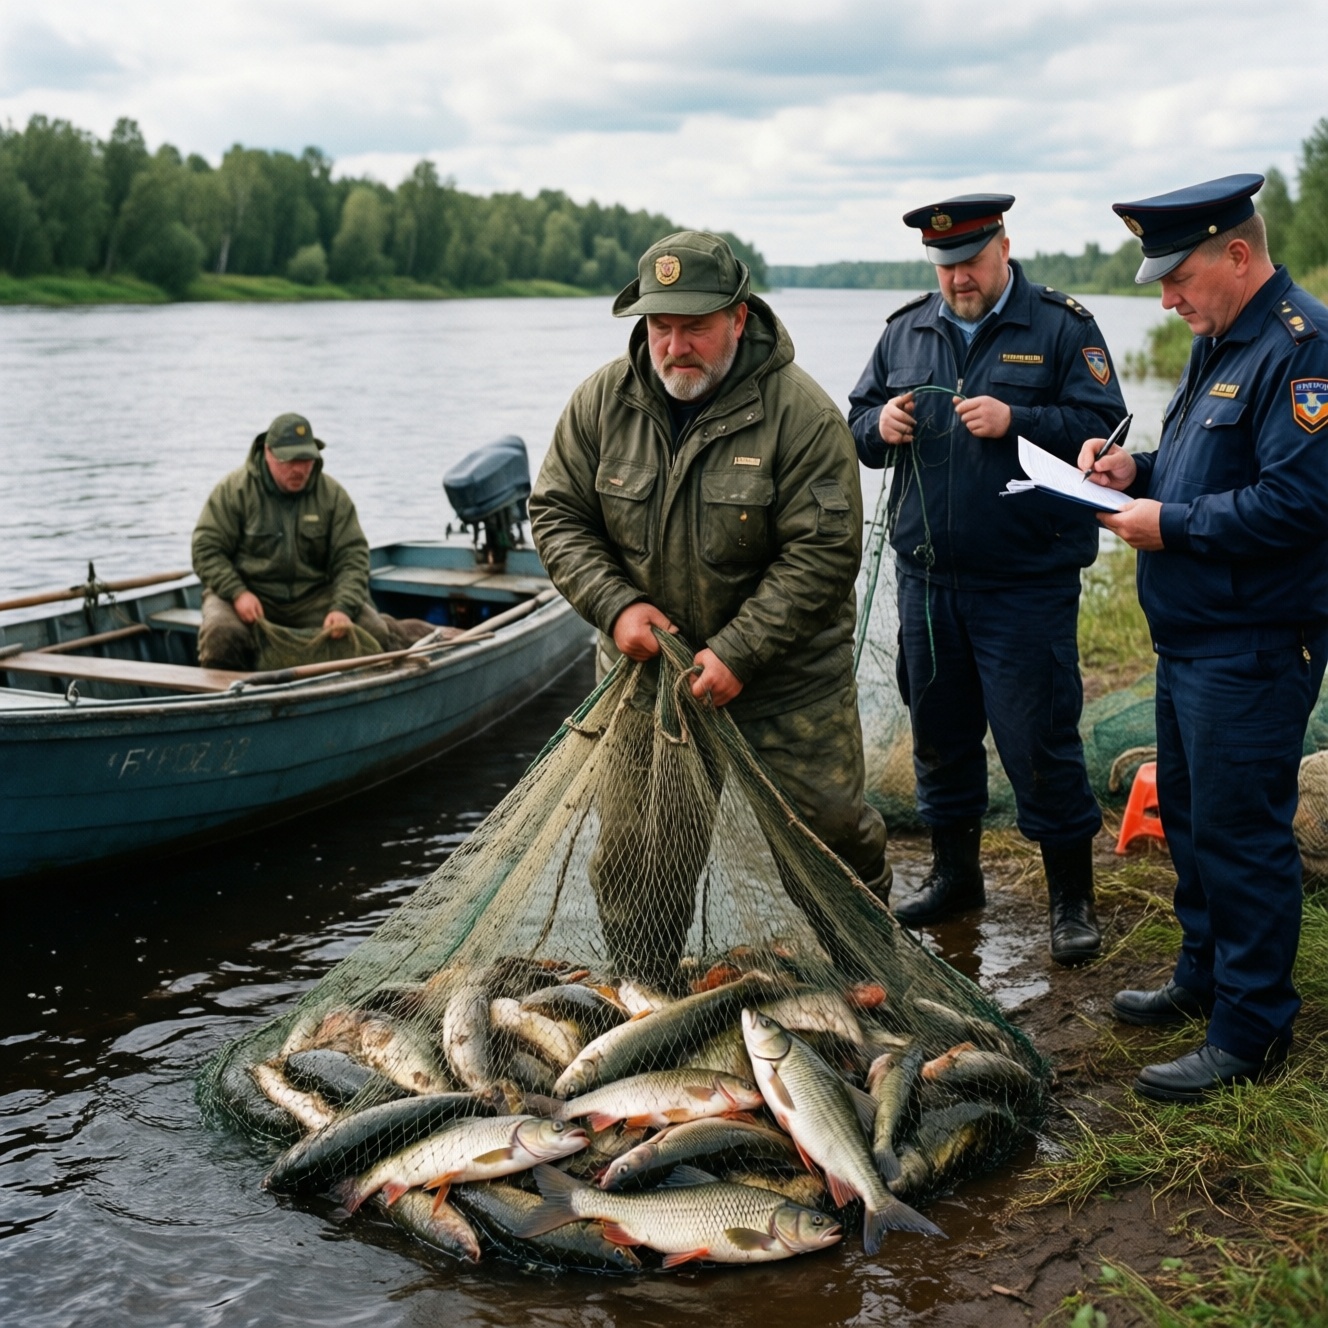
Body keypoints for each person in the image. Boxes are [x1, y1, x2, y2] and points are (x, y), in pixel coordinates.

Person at [529, 230, 889, 986]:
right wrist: (616, 605)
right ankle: (650, 999)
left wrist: (740, 651)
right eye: (662, 326)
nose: (676, 345)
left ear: (739, 316)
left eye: (695, 325)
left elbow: (822, 554)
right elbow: (557, 515)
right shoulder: (600, 402)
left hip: (785, 681)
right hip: (645, 679)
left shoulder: (805, 417)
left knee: (830, 845)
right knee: (635, 858)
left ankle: (875, 990)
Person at [1081, 174, 1328, 1101]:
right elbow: (1200, 461)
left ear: (1238, 253)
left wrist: (1167, 525)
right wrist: (1132, 465)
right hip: (1194, 638)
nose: (1167, 298)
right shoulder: (1220, 336)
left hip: (1257, 640)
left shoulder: (1306, 349)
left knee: (1242, 833)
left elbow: (1300, 504)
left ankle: (1253, 1028)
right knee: (1189, 814)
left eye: (1178, 277)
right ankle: (1204, 975)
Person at [847, 194, 1127, 965]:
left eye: (970, 261)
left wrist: (1019, 421)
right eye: (944, 267)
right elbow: (858, 422)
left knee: (1038, 740)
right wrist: (881, 426)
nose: (958, 280)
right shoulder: (906, 329)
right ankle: (955, 878)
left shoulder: (1062, 326)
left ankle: (1071, 901)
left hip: (1026, 582)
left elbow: (1107, 429)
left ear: (1004, 245)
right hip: (927, 583)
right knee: (939, 736)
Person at [193, 412, 398, 671]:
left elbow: (352, 558)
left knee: (375, 631)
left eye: (306, 459)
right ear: (268, 452)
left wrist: (342, 607)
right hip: (248, 593)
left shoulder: (333, 496)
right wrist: (237, 593)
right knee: (221, 637)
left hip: (312, 597)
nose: (299, 469)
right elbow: (206, 550)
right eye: (289, 460)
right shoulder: (234, 491)